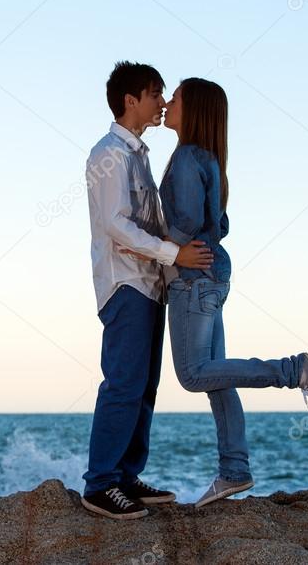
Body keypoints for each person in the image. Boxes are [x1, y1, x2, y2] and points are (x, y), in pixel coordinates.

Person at [159, 77, 308, 509]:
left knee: (193, 374)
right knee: (217, 377)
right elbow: (219, 225)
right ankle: (234, 471)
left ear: (195, 108)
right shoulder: (210, 159)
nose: (167, 103)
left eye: (176, 97)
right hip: (212, 274)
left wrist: (161, 248)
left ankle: (292, 370)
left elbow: (185, 225)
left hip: (192, 277)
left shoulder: (185, 158)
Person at [81, 62, 213, 520]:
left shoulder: (138, 154)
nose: (161, 103)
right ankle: (99, 484)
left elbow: (149, 220)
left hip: (150, 283)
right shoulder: (108, 155)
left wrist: (173, 259)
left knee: (145, 386)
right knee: (123, 383)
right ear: (129, 100)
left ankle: (125, 476)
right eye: (155, 94)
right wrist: (174, 253)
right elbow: (116, 225)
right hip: (125, 282)